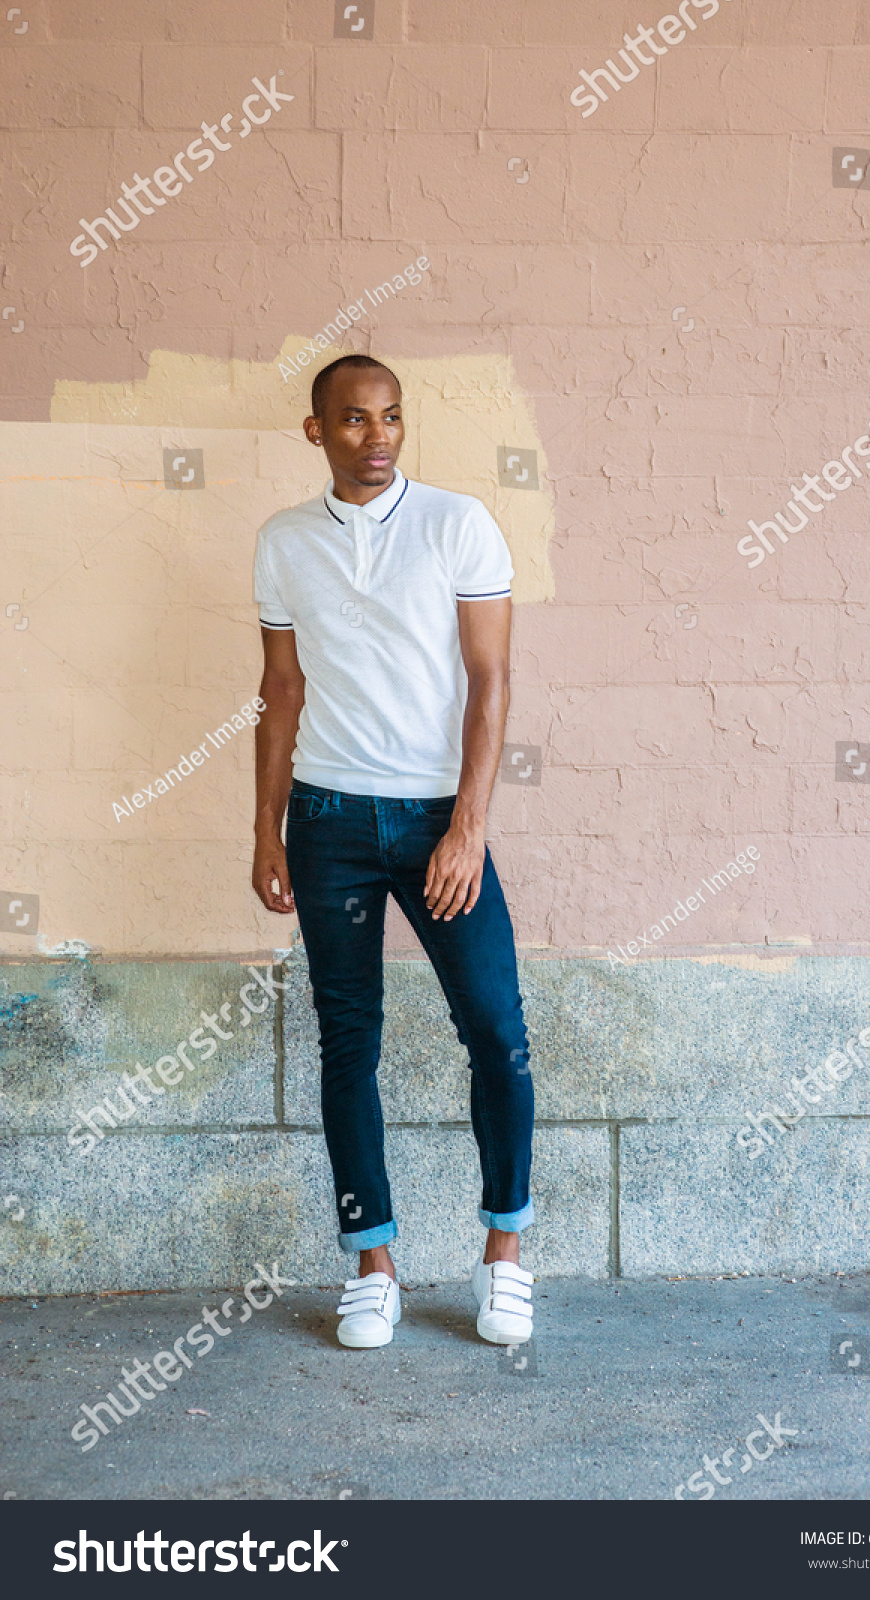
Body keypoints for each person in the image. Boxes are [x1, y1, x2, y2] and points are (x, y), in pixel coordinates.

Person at [251, 354, 535, 1350]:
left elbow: (490, 681)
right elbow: (280, 691)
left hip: (432, 820)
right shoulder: (285, 542)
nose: (377, 437)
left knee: (495, 1027)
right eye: (355, 420)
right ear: (316, 431)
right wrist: (266, 826)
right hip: (328, 821)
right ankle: (372, 1260)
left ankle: (503, 1252)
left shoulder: (458, 525)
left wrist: (467, 826)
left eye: (392, 419)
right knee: (347, 1042)